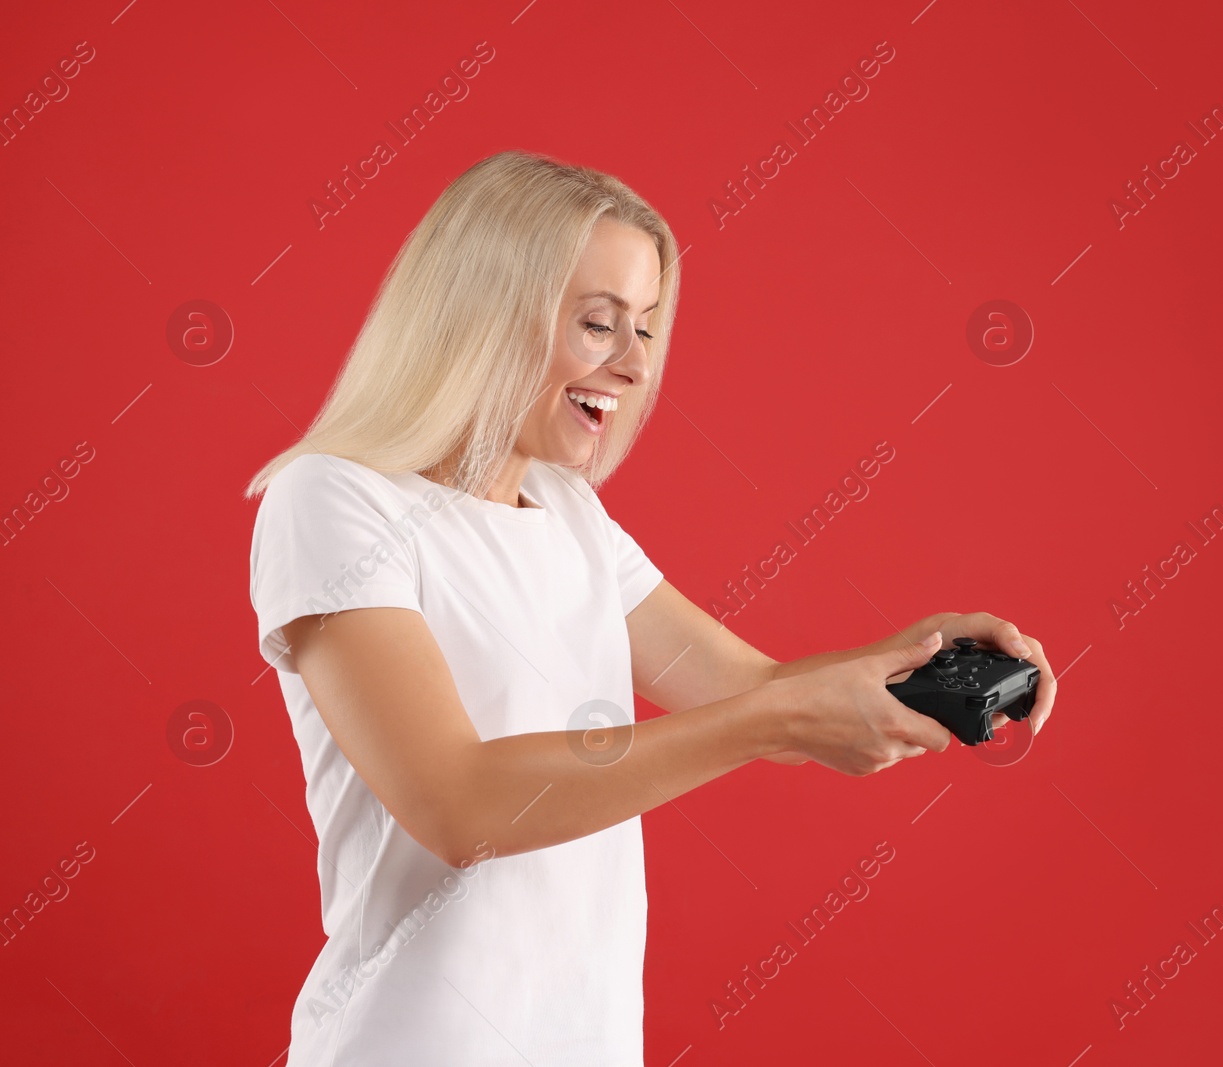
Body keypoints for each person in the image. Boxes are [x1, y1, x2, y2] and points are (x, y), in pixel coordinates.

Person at [244, 149, 1056, 1066]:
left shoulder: (567, 511)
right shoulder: (333, 501)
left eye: (647, 328)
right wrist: (768, 719)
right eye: (599, 323)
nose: (633, 363)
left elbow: (748, 686)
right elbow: (458, 801)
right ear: (485, 309)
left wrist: (915, 659)